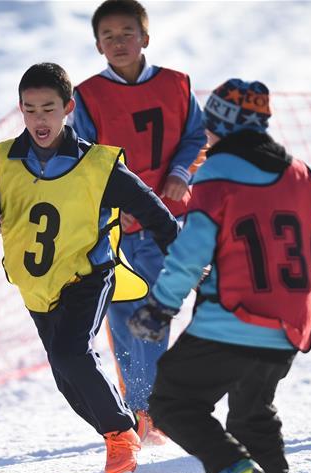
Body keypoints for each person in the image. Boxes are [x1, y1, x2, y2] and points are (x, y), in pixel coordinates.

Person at [128, 79, 311, 473]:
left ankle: (228, 465)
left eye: (210, 128)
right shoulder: (298, 173)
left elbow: (193, 249)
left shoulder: (216, 174)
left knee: (171, 400)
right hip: (289, 326)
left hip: (231, 318)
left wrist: (160, 305)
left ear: (220, 127)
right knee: (252, 416)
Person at [0, 63, 178, 473]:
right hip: (38, 287)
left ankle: (121, 434)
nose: (40, 119)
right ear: (20, 110)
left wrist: (182, 257)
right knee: (65, 374)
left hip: (89, 275)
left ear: (68, 108)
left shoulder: (97, 164)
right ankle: (119, 429)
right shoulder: (4, 160)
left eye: (48, 109)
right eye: (30, 109)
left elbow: (154, 211)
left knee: (70, 353)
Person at [71, 0, 207, 446]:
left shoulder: (176, 84)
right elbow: (84, 158)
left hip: (169, 221)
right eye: (108, 36)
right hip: (116, 226)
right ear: (97, 45)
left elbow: (194, 137)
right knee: (123, 311)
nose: (118, 42)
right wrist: (114, 202)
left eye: (126, 33)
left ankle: (153, 405)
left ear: (144, 37)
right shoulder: (88, 95)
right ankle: (141, 408)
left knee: (155, 310)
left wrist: (179, 175)